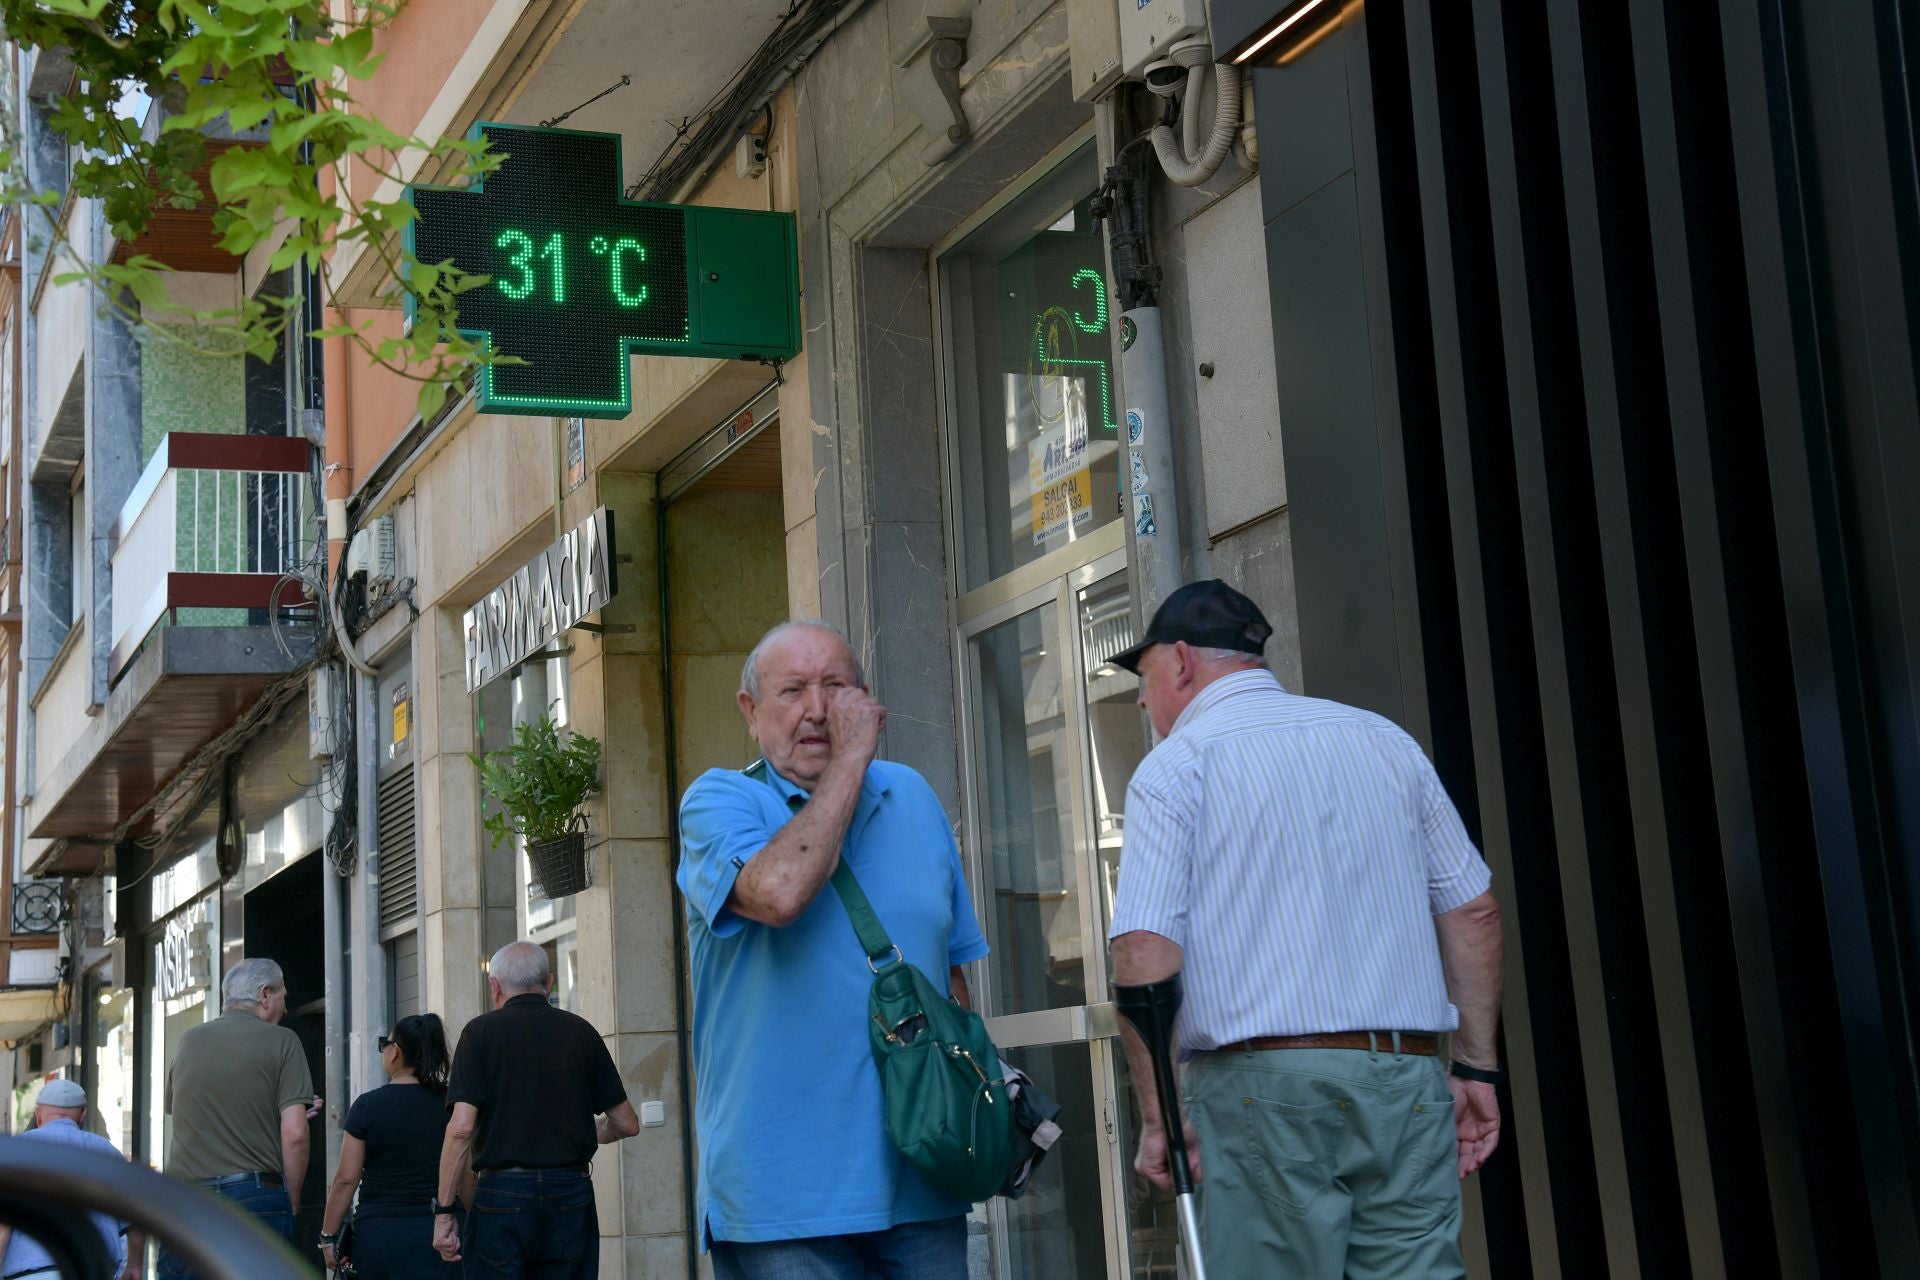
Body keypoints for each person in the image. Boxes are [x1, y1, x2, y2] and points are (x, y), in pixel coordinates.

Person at [1106, 579, 1505, 1279]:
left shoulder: (1176, 769)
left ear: (1179, 662)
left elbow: (1143, 950)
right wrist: (1473, 1064)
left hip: (1261, 1090)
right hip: (1406, 1076)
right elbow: (1473, 908)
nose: (1142, 701)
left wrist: (1158, 1115)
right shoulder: (1385, 742)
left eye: (1142, 680)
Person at [676, 620, 990, 1279]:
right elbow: (780, 893)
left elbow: (950, 979)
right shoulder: (718, 801)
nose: (817, 711)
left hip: (925, 1182)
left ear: (867, 700)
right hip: (784, 1202)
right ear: (750, 711)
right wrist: (851, 760)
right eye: (791, 691)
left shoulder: (912, 796)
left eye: (835, 688)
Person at [431, 941, 639, 1278]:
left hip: (501, 1195)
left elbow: (461, 1128)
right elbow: (627, 1123)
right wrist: (591, 1131)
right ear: (550, 983)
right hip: (571, 1192)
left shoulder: (479, 1034)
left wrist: (443, 1213)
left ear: (495, 986)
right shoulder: (581, 1032)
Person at [160, 957, 322, 1280]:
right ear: (264, 995)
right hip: (254, 1198)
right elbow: (295, 1135)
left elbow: (184, 1111)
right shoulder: (284, 1041)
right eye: (282, 997)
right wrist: (289, 1201)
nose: (286, 1008)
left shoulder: (188, 1041)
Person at [320, 1014, 457, 1278]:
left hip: (380, 1235)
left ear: (396, 1052)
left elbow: (346, 1179)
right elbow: (463, 1175)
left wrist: (328, 1236)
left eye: (386, 1043)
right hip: (439, 1234)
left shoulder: (367, 1106)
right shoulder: (450, 1104)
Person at [0, 1078, 143, 1280]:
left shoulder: (16, 1151)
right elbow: (134, 1219)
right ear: (83, 1115)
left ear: (38, 1114)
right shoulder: (107, 1153)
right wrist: (135, 1266)